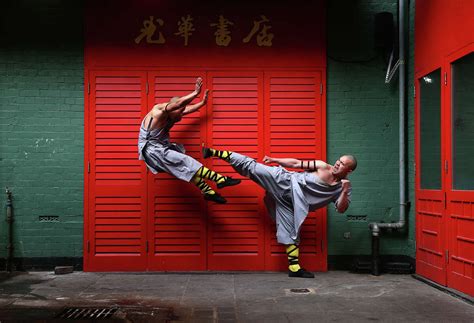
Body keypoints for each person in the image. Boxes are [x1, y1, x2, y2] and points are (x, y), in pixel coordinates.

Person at [202, 146, 356, 278]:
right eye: (339, 160)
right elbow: (296, 163)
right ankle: (213, 152)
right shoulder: (323, 166)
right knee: (252, 167)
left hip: (290, 203)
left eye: (343, 164)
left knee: (291, 232)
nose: (338, 164)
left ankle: (294, 269)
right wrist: (274, 159)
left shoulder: (342, 188)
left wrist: (344, 190)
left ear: (349, 170)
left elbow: (341, 209)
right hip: (284, 181)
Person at [138, 77, 240, 204]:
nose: (182, 115)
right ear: (173, 108)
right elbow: (179, 104)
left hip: (160, 147)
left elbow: (185, 109)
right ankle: (220, 179)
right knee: (185, 160)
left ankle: (208, 191)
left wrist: (202, 103)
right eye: (180, 112)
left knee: (184, 168)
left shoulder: (173, 113)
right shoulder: (158, 110)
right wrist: (195, 93)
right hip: (152, 149)